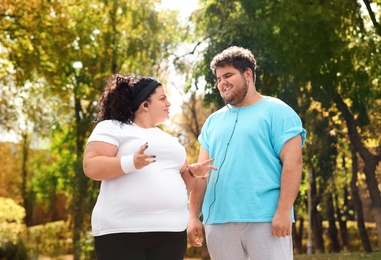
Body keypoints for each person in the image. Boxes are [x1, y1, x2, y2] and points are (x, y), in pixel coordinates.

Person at [187, 46, 306, 260]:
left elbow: (293, 163)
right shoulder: (213, 121)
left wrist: (283, 210)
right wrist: (193, 216)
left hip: (266, 219)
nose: (222, 82)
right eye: (218, 78)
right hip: (218, 222)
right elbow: (201, 174)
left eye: (228, 75)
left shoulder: (278, 111)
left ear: (248, 74)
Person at [83, 74, 216, 260]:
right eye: (162, 98)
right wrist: (131, 162)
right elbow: (91, 166)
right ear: (145, 105)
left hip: (170, 232)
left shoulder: (171, 141)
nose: (169, 103)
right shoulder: (112, 127)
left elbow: (184, 185)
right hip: (122, 232)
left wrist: (194, 173)